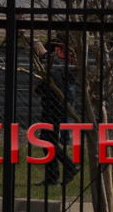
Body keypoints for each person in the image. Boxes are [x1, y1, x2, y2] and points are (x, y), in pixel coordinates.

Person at [34, 40, 79, 186]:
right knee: (48, 141)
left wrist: (38, 89)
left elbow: (51, 84)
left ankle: (68, 167)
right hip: (55, 107)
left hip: (53, 108)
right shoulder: (55, 63)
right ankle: (54, 176)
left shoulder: (49, 64)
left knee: (48, 140)